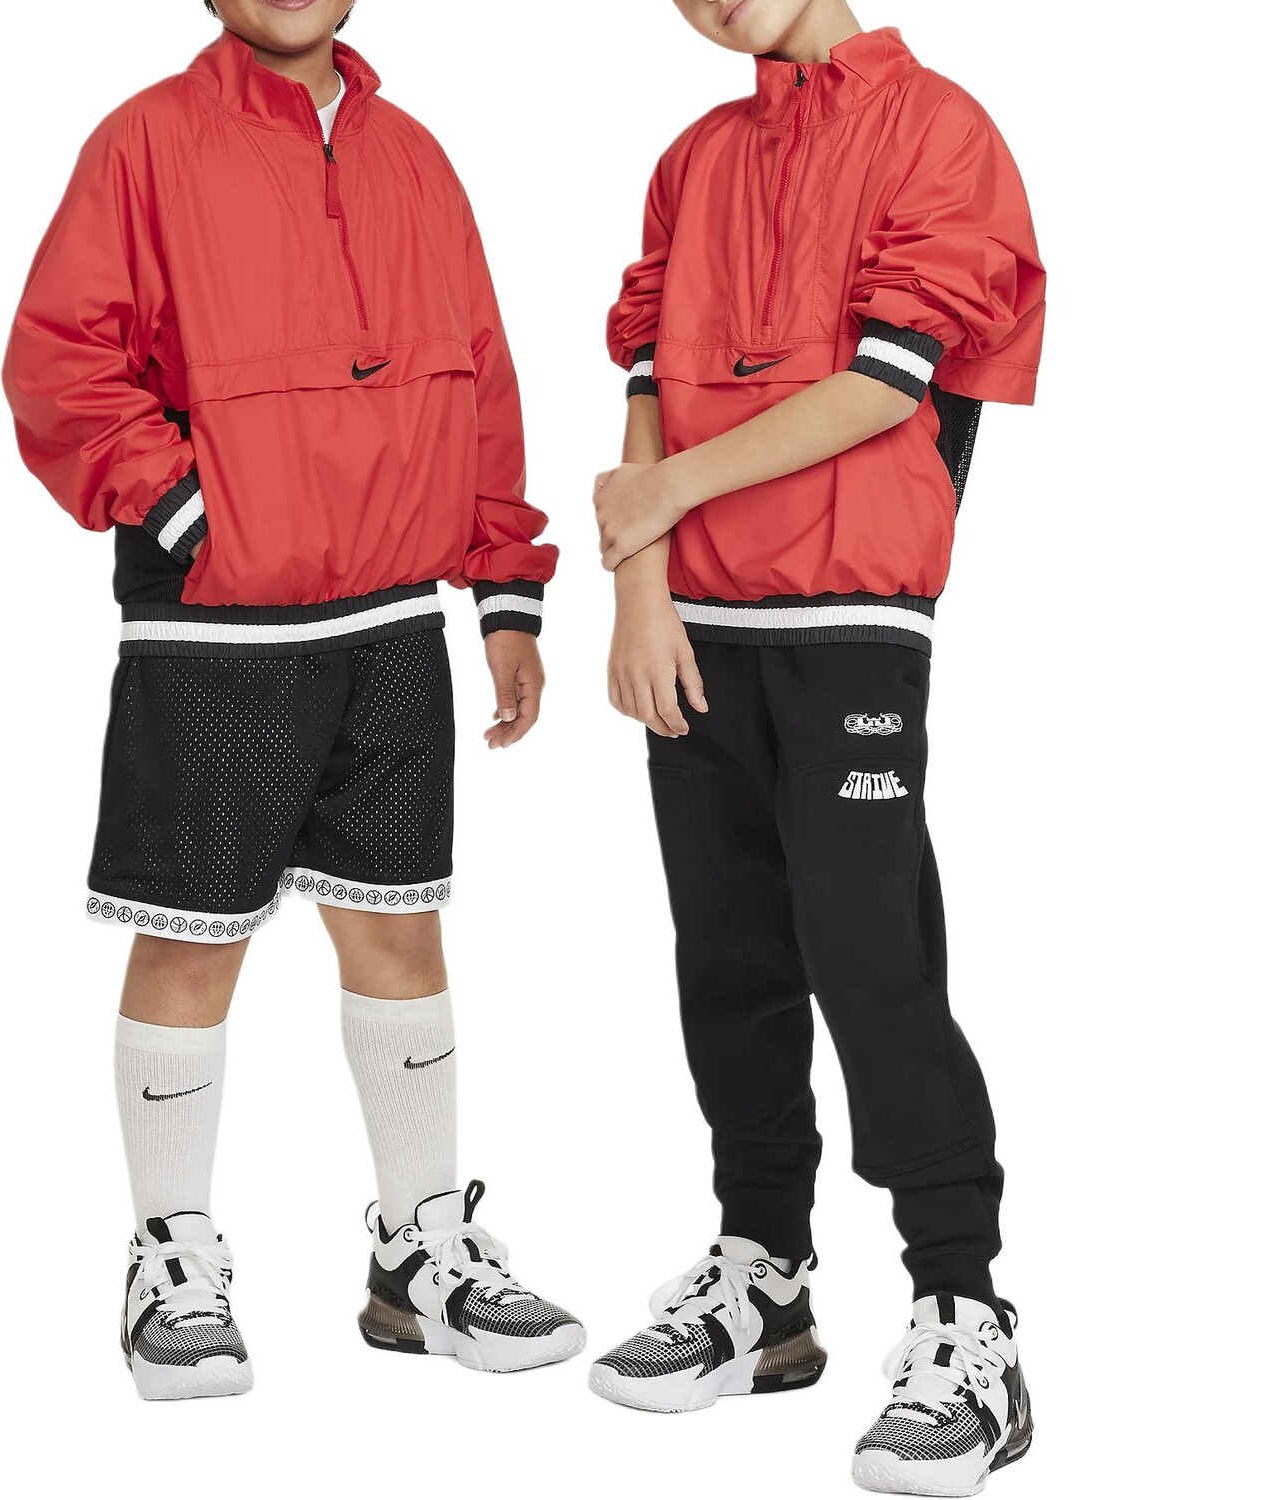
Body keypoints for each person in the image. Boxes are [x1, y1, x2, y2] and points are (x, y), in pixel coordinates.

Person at [2, 0, 582, 1401]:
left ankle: (419, 1250)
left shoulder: (417, 157)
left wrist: (504, 590)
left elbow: (483, 377)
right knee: (191, 944)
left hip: (392, 623)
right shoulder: (145, 144)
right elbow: (60, 363)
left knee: (399, 930)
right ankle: (171, 1259)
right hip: (218, 631)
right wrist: (191, 512)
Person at [587, 2, 1045, 1492]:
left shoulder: (937, 126)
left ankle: (965, 1314)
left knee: (869, 952)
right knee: (727, 953)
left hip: (851, 612)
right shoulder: (693, 157)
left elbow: (888, 382)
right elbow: (647, 387)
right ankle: (763, 1279)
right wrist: (640, 590)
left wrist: (660, 505)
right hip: (698, 624)